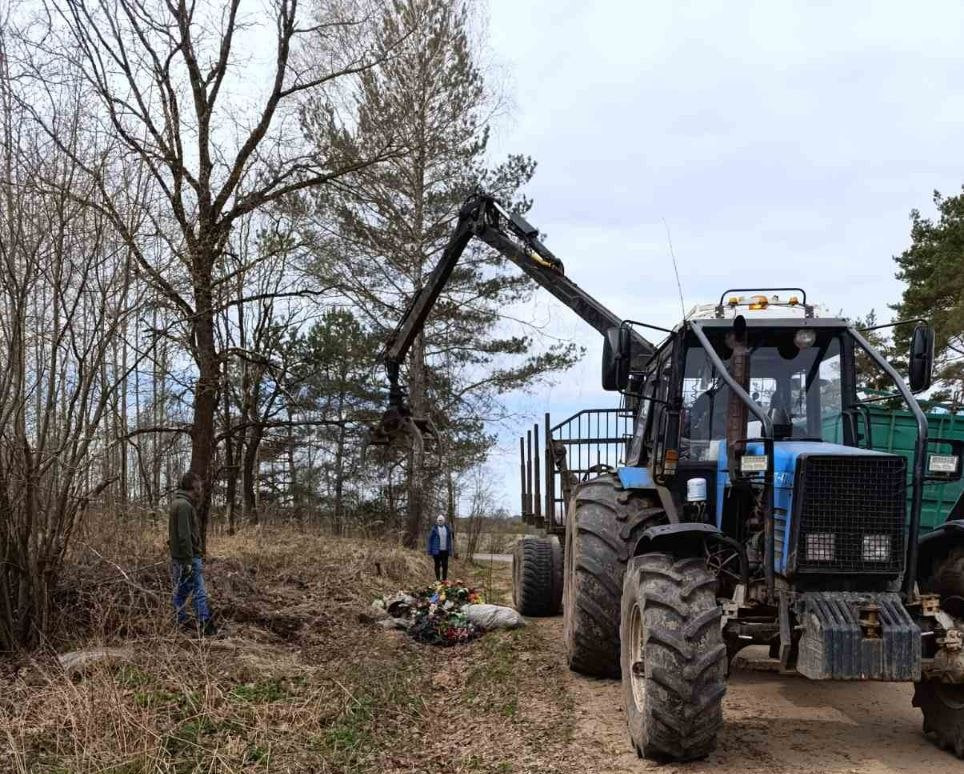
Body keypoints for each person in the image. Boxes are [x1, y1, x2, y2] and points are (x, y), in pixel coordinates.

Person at [169, 471, 217, 636]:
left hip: (180, 558)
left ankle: (179, 621)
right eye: (199, 485)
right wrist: (189, 561)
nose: (201, 488)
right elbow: (184, 536)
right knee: (199, 591)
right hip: (188, 559)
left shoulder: (178, 503)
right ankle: (205, 625)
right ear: (193, 486)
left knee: (181, 591)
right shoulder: (184, 506)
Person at [427, 515, 456, 582]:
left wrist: (450, 551)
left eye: (441, 520)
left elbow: (449, 540)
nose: (440, 521)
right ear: (437, 521)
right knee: (437, 565)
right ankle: (438, 580)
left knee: (445, 565)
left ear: (444, 521)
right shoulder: (434, 529)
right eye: (439, 520)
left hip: (445, 551)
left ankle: (444, 580)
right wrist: (429, 550)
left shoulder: (447, 529)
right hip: (436, 551)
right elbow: (430, 540)